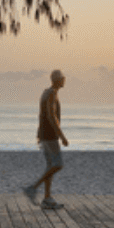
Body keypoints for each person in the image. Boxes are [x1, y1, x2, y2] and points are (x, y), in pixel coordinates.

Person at [24, 69, 68, 209]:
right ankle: (33, 188)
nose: (64, 80)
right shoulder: (52, 94)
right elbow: (51, 116)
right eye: (62, 78)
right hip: (49, 136)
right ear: (57, 80)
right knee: (58, 164)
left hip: (44, 135)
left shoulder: (46, 92)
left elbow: (43, 115)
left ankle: (47, 199)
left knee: (50, 166)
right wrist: (62, 136)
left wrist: (40, 135)